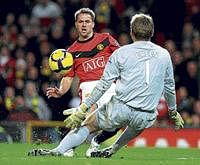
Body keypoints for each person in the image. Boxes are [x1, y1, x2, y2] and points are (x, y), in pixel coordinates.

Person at [29, 13, 184, 158]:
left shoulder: (121, 53)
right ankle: (113, 148)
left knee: (88, 125)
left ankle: (57, 151)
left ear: (131, 32)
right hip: (147, 113)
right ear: (152, 32)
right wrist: (173, 113)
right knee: (137, 125)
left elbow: (104, 84)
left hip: (121, 108)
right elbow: (169, 86)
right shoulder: (164, 54)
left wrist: (83, 109)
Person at [45, 8, 120, 157]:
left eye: (87, 21)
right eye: (81, 22)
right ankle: (65, 148)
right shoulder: (71, 52)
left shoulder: (106, 39)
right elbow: (68, 77)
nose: (84, 25)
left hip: (110, 85)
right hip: (89, 87)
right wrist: (61, 91)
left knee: (117, 120)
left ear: (93, 24)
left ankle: (94, 143)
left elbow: (122, 57)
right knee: (87, 117)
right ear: (76, 25)